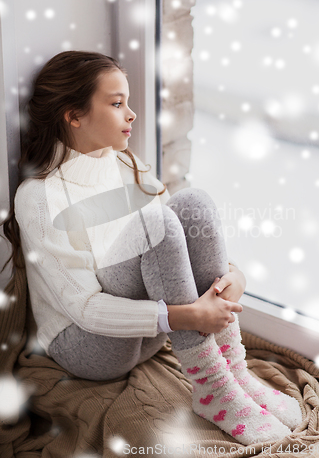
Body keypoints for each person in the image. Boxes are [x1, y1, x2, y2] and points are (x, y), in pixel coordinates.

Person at [1, 50, 302, 445]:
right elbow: (84, 309)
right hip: (87, 344)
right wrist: (187, 316)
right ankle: (212, 388)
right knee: (156, 220)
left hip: (150, 331)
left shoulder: (125, 165)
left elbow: (176, 240)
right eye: (116, 103)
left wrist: (234, 274)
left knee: (193, 203)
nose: (132, 114)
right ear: (74, 116)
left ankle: (233, 369)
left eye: (127, 102)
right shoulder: (38, 197)